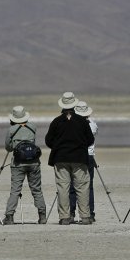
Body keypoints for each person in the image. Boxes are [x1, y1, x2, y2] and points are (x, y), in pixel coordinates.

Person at [45, 92, 94, 225]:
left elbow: (48, 141)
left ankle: (65, 217)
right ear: (74, 106)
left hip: (60, 158)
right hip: (79, 158)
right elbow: (90, 139)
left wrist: (59, 146)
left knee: (63, 187)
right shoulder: (82, 122)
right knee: (82, 187)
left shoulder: (56, 122)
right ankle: (85, 217)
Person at [2, 106, 47, 225]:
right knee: (37, 190)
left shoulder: (11, 130)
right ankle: (42, 216)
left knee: (15, 190)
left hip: (18, 164)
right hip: (34, 162)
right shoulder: (33, 127)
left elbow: (8, 147)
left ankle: (9, 217)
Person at [69, 101, 98, 223]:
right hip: (89, 156)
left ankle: (71, 213)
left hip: (76, 156)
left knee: (72, 186)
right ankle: (90, 213)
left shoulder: (73, 124)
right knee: (89, 186)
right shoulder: (93, 124)